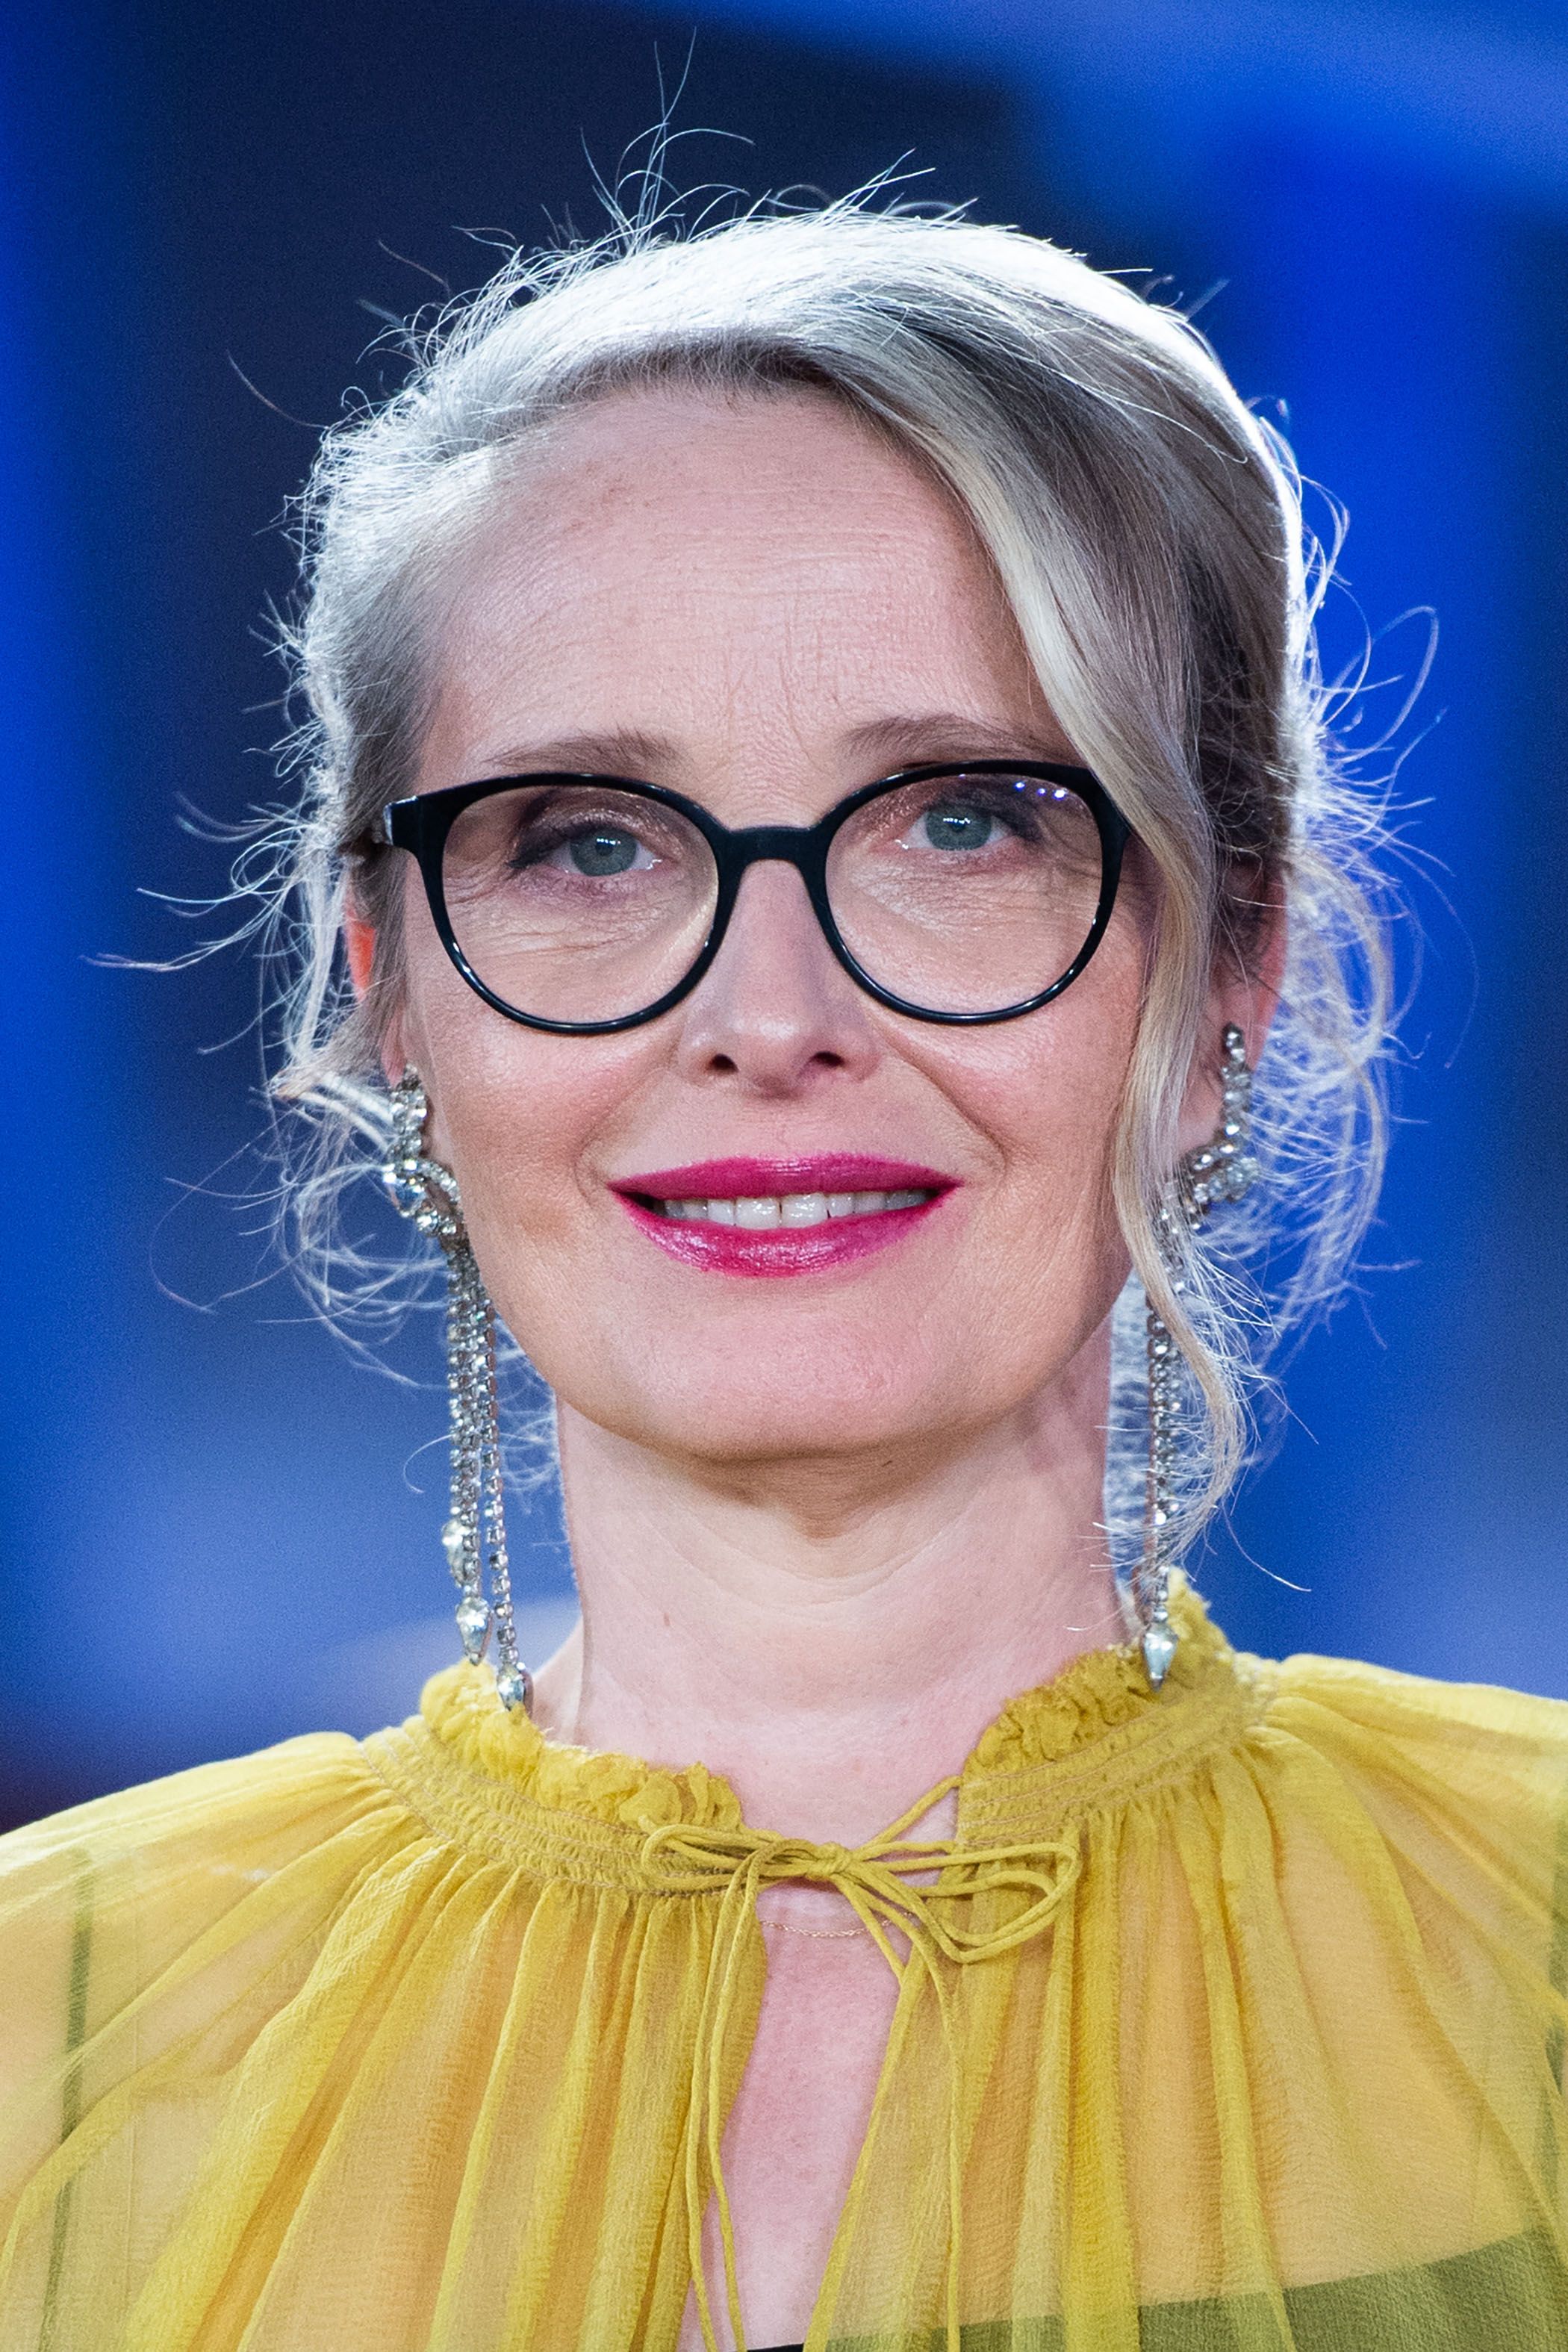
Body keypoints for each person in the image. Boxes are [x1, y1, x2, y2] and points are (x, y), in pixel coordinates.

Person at [1, 200, 1564, 2352]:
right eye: (585, 841)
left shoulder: (1539, 1958)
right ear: (393, 1003)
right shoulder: (44, 2032)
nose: (765, 1012)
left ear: (1231, 978)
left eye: (958, 822)